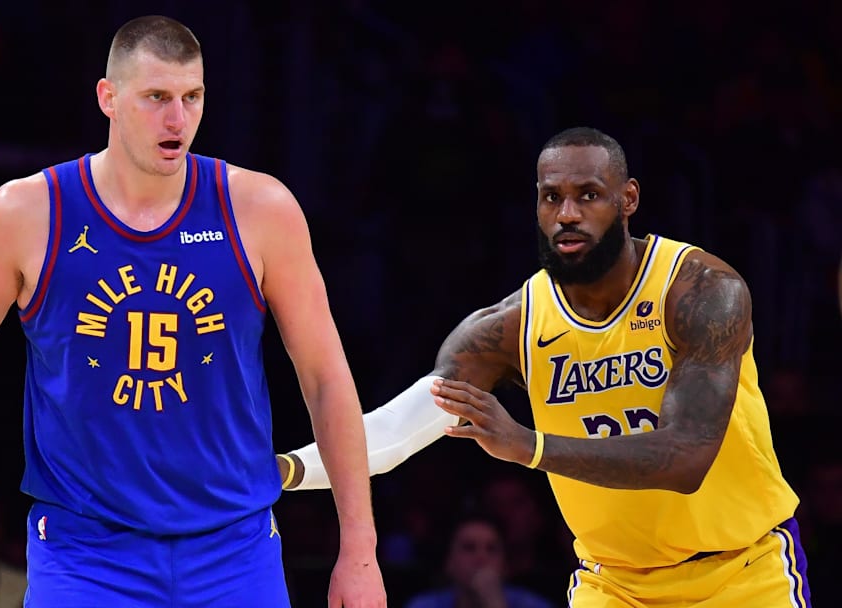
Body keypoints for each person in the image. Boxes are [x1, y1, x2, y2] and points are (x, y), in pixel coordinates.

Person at [0, 14, 384, 608]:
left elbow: (326, 379)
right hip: (85, 557)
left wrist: (360, 552)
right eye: (156, 97)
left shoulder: (260, 208)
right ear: (108, 97)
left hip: (234, 549)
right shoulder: (25, 213)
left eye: (192, 97)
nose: (177, 119)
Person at [279, 127, 812, 607]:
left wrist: (530, 447)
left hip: (741, 574)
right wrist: (282, 470)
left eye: (588, 196)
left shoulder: (700, 289)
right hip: (614, 585)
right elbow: (394, 434)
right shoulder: (508, 326)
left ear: (628, 200)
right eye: (551, 197)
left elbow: (688, 456)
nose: (568, 214)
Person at [403, 511, 554, 608]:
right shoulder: (423, 605)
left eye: (491, 549)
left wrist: (495, 603)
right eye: (469, 547)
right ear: (449, 562)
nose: (481, 558)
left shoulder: (534, 605)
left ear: (505, 565)